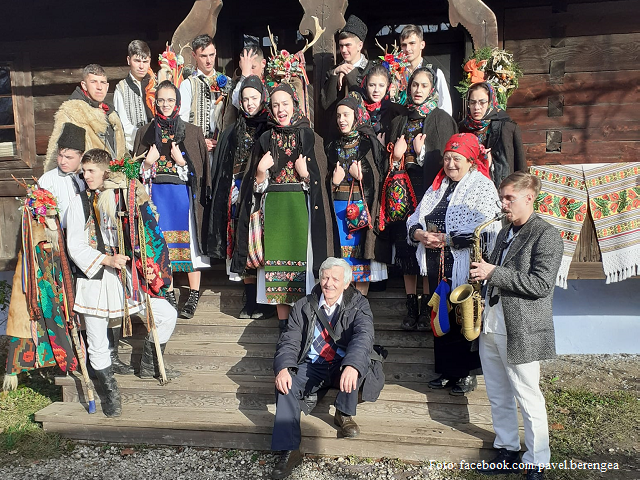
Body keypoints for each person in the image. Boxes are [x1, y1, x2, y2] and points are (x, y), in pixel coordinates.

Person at [66, 149, 178, 416]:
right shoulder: (78, 203)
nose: (86, 176)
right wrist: (107, 260)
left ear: (106, 171)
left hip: (124, 279)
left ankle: (149, 365)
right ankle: (110, 395)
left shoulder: (119, 198)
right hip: (93, 280)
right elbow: (75, 247)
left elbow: (139, 231)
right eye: (84, 171)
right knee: (97, 341)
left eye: (91, 171)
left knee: (167, 315)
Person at [470, 172, 563, 480]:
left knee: (527, 394)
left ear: (529, 198)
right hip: (492, 322)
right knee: (497, 392)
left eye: (509, 198)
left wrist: (493, 272)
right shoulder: (503, 231)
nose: (503, 204)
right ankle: (507, 448)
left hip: (520, 327)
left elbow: (540, 284)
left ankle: (537, 460)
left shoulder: (546, 234)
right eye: (502, 198)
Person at [230, 84, 333, 332]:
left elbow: (321, 182)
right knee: (276, 269)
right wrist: (260, 171)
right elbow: (254, 188)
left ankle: (304, 325)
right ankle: (284, 326)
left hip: (300, 209)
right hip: (274, 212)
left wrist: (306, 175)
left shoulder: (310, 137)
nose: (280, 109)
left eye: (285, 103)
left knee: (303, 270)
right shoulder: (265, 139)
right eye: (275, 105)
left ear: (294, 104)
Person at [270, 257, 383, 480]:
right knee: (285, 385)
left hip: (341, 364)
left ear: (346, 283)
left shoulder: (359, 304)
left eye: (335, 279)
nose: (328, 283)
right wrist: (283, 367)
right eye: (325, 277)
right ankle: (289, 450)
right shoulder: (304, 304)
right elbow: (289, 340)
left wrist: (351, 365)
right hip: (313, 364)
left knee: (360, 364)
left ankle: (344, 413)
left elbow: (363, 337)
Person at [406, 133, 501, 395]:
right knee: (441, 314)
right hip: (437, 262)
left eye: (457, 159)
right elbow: (415, 217)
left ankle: (466, 373)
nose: (450, 164)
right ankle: (447, 370)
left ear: (470, 160)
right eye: (447, 158)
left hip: (465, 263)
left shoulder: (482, 186)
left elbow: (490, 228)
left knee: (465, 315)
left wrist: (447, 239)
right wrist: (419, 234)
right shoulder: (437, 186)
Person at [388, 66, 457, 331]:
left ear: (432, 90)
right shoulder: (400, 120)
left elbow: (448, 161)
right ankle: (410, 307)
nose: (418, 90)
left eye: (424, 86)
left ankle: (430, 306)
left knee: (427, 248)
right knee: (406, 250)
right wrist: (398, 156)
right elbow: (391, 160)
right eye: (414, 85)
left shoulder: (440, 119)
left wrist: (420, 154)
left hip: (430, 191)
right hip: (403, 192)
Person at [134, 80, 209, 319]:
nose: (166, 105)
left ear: (178, 102)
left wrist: (182, 162)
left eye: (170, 100)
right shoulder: (144, 132)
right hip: (157, 196)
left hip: (183, 197)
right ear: (155, 102)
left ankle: (194, 294)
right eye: (161, 100)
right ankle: (168, 292)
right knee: (163, 245)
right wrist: (147, 162)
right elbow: (132, 173)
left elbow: (202, 172)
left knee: (189, 248)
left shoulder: (192, 132)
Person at [207, 75, 274, 319]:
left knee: (262, 243)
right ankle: (249, 298)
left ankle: (265, 299)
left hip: (260, 190)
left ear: (262, 97)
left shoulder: (270, 126)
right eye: (245, 99)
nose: (249, 103)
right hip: (237, 191)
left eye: (254, 98)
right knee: (241, 241)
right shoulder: (232, 131)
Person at [325, 93, 389, 295]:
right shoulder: (332, 145)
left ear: (357, 116)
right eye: (338, 116)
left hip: (362, 210)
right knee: (341, 261)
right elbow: (325, 178)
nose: (341, 120)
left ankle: (359, 304)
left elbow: (380, 177)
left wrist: (362, 176)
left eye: (346, 115)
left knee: (361, 261)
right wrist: (333, 182)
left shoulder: (368, 143)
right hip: (338, 210)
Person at [44, 64, 126, 173]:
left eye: (102, 82)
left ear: (107, 86)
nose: (99, 87)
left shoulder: (112, 114)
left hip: (114, 182)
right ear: (84, 85)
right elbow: (56, 153)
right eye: (93, 82)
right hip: (85, 182)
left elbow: (122, 151)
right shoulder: (71, 112)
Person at [459, 81, 526, 188]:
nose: (477, 107)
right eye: (472, 102)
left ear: (490, 102)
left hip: (502, 189)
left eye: (482, 102)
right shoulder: (462, 128)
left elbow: (520, 164)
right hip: (470, 188)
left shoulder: (507, 127)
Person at [179, 34, 231, 153]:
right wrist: (200, 140)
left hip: (223, 147)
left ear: (216, 52)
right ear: (194, 55)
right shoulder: (188, 85)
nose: (209, 61)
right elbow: (183, 120)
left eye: (211, 55)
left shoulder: (227, 81)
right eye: (203, 56)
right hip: (198, 147)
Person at [395, 24, 452, 115]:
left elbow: (445, 107)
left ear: (422, 45)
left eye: (412, 43)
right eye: (404, 45)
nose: (407, 49)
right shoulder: (395, 73)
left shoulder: (435, 72)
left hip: (429, 124)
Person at [38, 123, 87, 229]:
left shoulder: (88, 177)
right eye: (60, 155)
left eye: (69, 157)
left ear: (81, 156)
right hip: (61, 236)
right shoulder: (48, 180)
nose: (63, 161)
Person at [320, 15, 370, 115]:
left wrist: (350, 74)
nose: (343, 50)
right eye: (341, 45)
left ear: (360, 45)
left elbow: (368, 100)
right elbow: (326, 105)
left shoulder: (372, 70)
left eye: (348, 45)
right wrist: (334, 74)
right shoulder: (333, 72)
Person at [114, 40, 157, 152]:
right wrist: (144, 136)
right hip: (135, 149)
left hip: (159, 146)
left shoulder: (157, 84)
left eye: (145, 61)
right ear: (129, 60)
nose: (141, 66)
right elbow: (123, 124)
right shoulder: (121, 88)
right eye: (137, 61)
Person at [357, 64, 404, 146]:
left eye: (381, 85)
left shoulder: (397, 112)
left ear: (387, 87)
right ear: (366, 86)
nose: (376, 90)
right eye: (372, 85)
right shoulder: (357, 110)